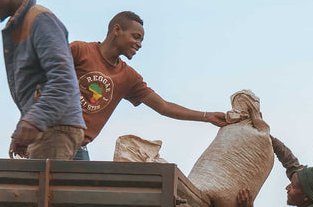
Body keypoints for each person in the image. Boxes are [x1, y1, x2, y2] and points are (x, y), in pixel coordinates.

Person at [69, 12, 228, 158]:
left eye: (141, 40)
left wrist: (208, 116)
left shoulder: (128, 77)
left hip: (79, 147)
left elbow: (164, 106)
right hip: (55, 135)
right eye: (136, 37)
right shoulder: (80, 51)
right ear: (117, 30)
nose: (139, 44)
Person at [0, 0, 85, 159]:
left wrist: (34, 121)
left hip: (55, 127)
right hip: (49, 125)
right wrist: (23, 128)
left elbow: (63, 79)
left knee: (43, 181)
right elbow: (37, 88)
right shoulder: (22, 24)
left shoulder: (40, 19)